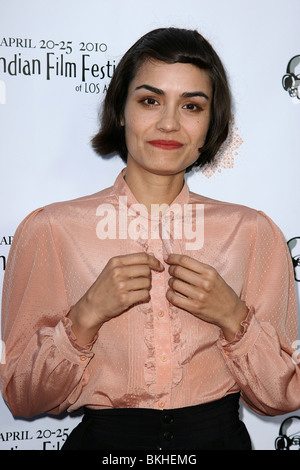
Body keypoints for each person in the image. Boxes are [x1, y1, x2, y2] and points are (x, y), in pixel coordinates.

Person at [0, 27, 299, 451]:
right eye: (150, 100)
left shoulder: (252, 233)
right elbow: (21, 396)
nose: (169, 123)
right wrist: (85, 316)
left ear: (211, 121)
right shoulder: (50, 230)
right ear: (121, 111)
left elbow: (282, 396)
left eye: (192, 106)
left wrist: (234, 318)